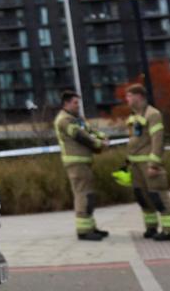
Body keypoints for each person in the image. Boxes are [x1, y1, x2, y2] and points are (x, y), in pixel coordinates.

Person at [54, 89, 109, 241]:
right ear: (66, 103)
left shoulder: (77, 118)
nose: (78, 106)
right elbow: (80, 136)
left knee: (89, 195)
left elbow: (90, 130)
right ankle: (83, 231)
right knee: (82, 195)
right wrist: (99, 143)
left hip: (84, 162)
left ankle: (91, 226)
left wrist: (103, 136)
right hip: (75, 163)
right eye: (75, 103)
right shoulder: (64, 120)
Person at [125, 84, 170, 241]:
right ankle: (151, 227)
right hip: (135, 164)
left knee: (158, 195)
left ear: (139, 96)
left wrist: (154, 164)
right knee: (142, 196)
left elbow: (157, 139)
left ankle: (169, 230)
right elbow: (134, 139)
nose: (126, 99)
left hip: (148, 163)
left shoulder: (153, 114)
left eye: (129, 96)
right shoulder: (133, 117)